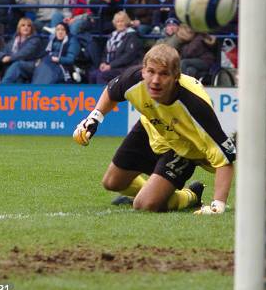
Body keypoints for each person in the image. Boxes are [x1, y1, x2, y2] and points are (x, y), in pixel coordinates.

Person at [73, 44, 235, 214]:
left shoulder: (195, 106)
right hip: (151, 127)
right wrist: (94, 118)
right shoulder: (133, 79)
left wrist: (218, 205)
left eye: (164, 74)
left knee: (144, 205)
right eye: (151, 72)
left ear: (176, 77)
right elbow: (112, 91)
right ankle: (149, 193)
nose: (155, 80)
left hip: (184, 148)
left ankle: (190, 196)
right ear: (143, 71)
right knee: (112, 183)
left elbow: (225, 156)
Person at [88, 11, 141, 83]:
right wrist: (103, 63)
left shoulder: (132, 36)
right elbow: (105, 52)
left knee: (101, 75)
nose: (120, 24)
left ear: (126, 22)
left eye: (122, 21)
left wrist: (111, 66)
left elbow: (128, 56)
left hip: (124, 68)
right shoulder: (112, 35)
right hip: (110, 66)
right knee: (92, 74)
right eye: (118, 22)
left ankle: (105, 94)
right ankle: (94, 94)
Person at [0, 18, 44, 83]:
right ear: (19, 28)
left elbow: (23, 54)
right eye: (23, 25)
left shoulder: (35, 40)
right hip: (16, 66)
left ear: (32, 28)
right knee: (17, 77)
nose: (26, 27)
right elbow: (2, 51)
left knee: (17, 65)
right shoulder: (14, 40)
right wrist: (3, 57)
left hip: (32, 65)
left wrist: (9, 58)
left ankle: (2, 87)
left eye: (29, 26)